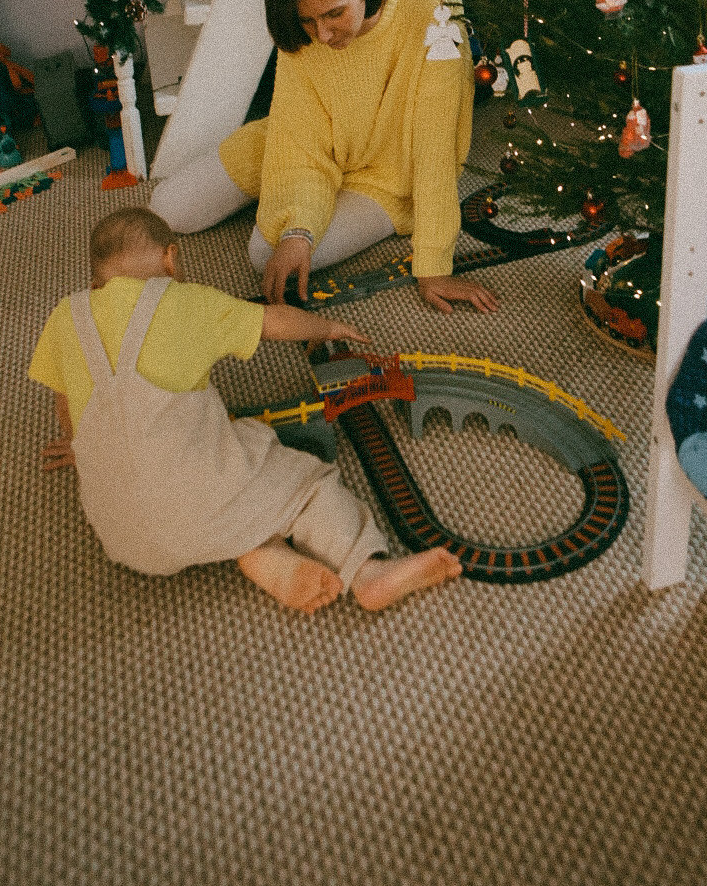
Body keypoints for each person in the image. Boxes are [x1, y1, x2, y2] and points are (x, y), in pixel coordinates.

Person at [30, 206, 462, 612]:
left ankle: (265, 557)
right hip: (195, 505)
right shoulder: (186, 301)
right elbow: (273, 321)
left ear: (95, 281)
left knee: (229, 489)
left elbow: (64, 395)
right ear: (170, 260)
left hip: (121, 537)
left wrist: (77, 445)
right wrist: (326, 326)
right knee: (302, 481)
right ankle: (368, 571)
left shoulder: (66, 316)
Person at [150, 0, 499, 317]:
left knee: (266, 256)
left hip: (386, 175)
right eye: (308, 21)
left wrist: (434, 266)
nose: (324, 35)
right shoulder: (306, 31)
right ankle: (291, 196)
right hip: (306, 136)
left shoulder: (434, 8)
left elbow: (437, 149)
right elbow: (300, 136)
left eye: (334, 14)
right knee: (168, 207)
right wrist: (300, 226)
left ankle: (287, 199)